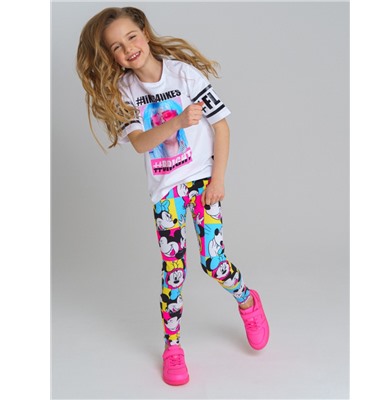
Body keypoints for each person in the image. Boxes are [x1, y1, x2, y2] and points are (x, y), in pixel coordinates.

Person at [76, 6, 269, 386]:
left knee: (213, 262)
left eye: (131, 37)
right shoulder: (124, 91)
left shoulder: (184, 75)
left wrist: (218, 179)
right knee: (174, 270)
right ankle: (173, 348)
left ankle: (247, 300)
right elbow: (139, 143)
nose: (128, 48)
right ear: (112, 56)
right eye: (116, 47)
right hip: (166, 191)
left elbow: (222, 127)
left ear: (145, 34)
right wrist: (178, 121)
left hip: (201, 180)